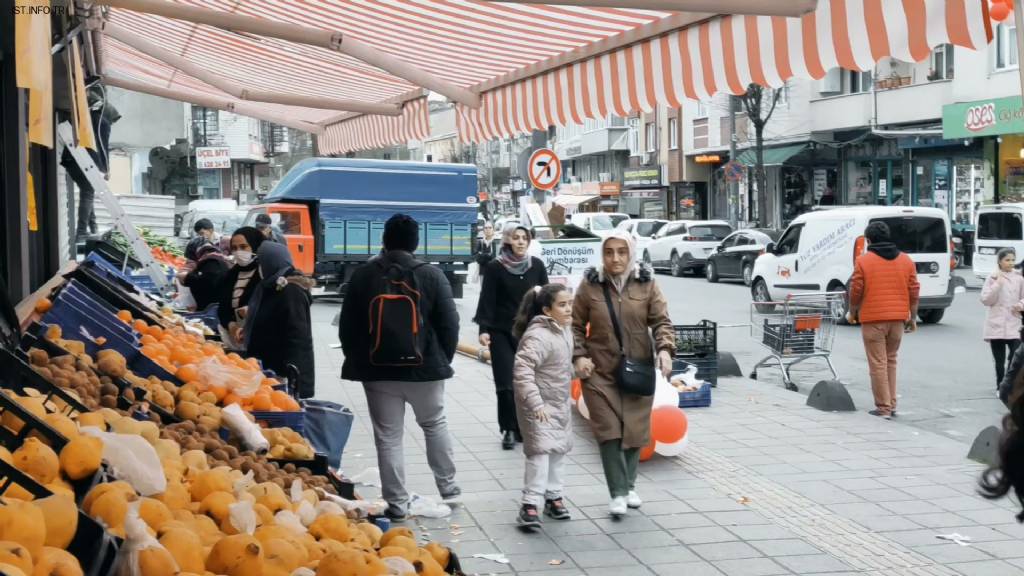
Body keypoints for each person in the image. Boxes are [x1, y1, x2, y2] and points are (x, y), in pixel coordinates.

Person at [340, 214, 460, 521]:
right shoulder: (433, 276)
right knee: (434, 424)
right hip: (425, 370)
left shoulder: (363, 275)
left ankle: (397, 503)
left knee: (388, 436)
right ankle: (449, 488)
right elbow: (450, 324)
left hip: (379, 371)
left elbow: (348, 327)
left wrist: (361, 359)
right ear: (416, 243)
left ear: (384, 240)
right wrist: (440, 359)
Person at [571, 231, 675, 517]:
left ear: (631, 253)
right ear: (602, 255)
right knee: (609, 432)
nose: (615, 258)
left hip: (636, 369)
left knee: (635, 430)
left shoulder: (647, 284)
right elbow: (575, 325)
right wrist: (579, 356)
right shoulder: (590, 286)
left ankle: (629, 486)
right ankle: (617, 492)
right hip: (598, 371)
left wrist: (665, 350)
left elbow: (662, 321)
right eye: (609, 252)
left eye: (621, 251)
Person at [475, 225, 549, 450]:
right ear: (507, 241)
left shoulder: (536, 265)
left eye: (524, 238)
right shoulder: (495, 267)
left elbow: (547, 298)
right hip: (501, 332)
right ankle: (508, 428)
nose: (520, 242)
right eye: (515, 238)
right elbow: (487, 299)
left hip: (530, 334)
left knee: (528, 383)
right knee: (506, 383)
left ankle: (524, 427)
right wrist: (484, 330)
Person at [511, 284, 577, 528]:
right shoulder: (538, 335)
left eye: (570, 303)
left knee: (558, 451)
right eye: (562, 304)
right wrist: (536, 403)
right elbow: (523, 371)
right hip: (536, 405)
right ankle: (529, 504)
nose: (569, 308)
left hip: (558, 403)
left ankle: (554, 497)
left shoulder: (564, 330)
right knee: (539, 454)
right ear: (547, 310)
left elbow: (559, 365)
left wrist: (575, 370)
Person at [848, 221, 920, 419]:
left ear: (869, 240)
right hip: (898, 318)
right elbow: (914, 291)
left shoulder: (863, 261)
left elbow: (856, 291)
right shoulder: (906, 260)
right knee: (891, 360)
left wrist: (852, 312)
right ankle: (891, 404)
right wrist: (912, 318)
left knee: (878, 363)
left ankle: (884, 408)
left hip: (873, 320)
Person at [242, 241, 316, 398]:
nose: (259, 268)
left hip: (278, 369)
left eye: (261, 263)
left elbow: (298, 338)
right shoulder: (268, 285)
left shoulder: (291, 292)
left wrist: (299, 384)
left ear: (271, 262)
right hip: (265, 364)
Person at [982, 248, 1024, 391]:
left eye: (1013, 260)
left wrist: (1020, 305)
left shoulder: (1019, 278)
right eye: (1007, 260)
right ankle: (1000, 385)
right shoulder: (992, 278)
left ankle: (1008, 383)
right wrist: (997, 285)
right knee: (999, 361)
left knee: (1014, 357)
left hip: (1014, 323)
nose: (1010, 263)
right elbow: (986, 300)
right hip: (996, 325)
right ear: (1000, 261)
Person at [217, 227, 264, 350]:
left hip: (261, 341)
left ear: (255, 246)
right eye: (234, 248)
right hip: (235, 340)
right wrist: (232, 326)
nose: (238, 252)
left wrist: (253, 311)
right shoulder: (231, 274)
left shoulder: (264, 274)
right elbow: (223, 308)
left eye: (243, 247)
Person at [181, 243, 230, 311]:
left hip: (212, 311)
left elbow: (206, 281)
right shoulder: (217, 261)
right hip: (214, 308)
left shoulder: (212, 262)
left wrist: (186, 277)